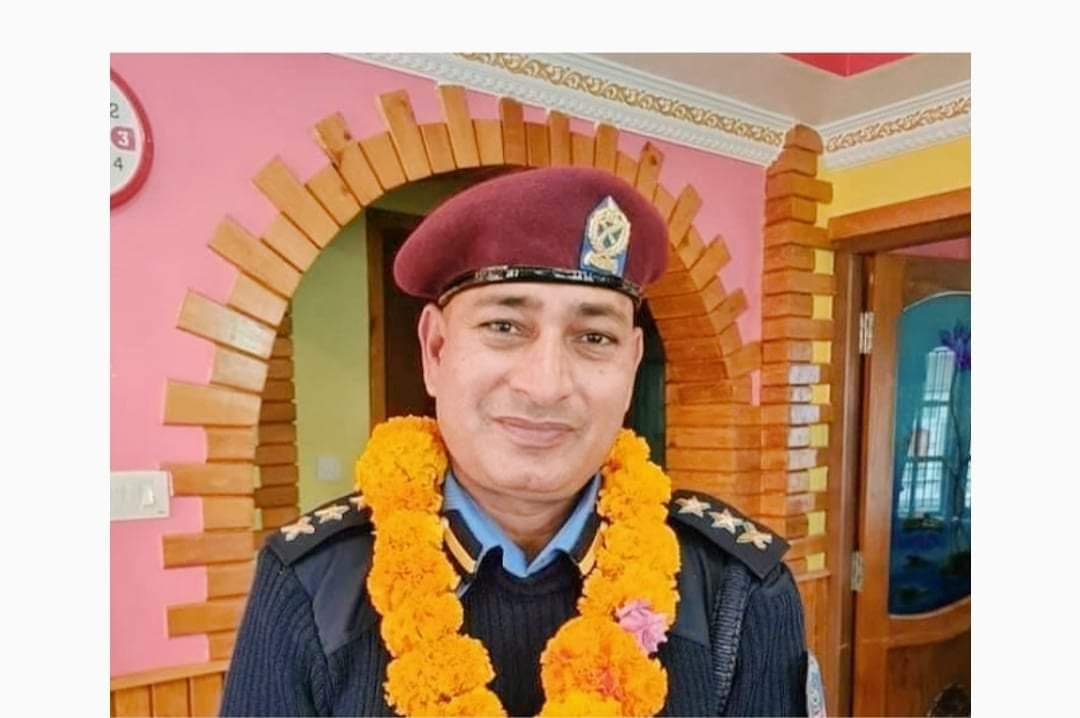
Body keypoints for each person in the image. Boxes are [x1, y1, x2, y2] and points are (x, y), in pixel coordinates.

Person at [220, 167, 818, 717]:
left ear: (632, 365)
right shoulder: (311, 586)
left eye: (594, 337)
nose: (546, 385)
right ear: (435, 350)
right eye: (504, 326)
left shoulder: (737, 593)